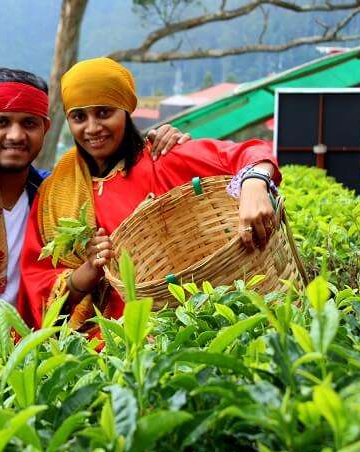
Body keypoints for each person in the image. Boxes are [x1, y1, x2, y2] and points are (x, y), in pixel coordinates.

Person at [0, 66, 188, 355]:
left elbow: (120, 179)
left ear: (45, 128)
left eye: (29, 123)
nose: (16, 135)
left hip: (40, 359)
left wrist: (159, 145)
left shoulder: (58, 194)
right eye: (2, 122)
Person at [18, 57, 281, 333]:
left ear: (126, 111)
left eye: (104, 112)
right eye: (79, 117)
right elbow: (37, 285)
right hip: (101, 352)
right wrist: (84, 274)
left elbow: (249, 154)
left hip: (181, 331)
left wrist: (254, 182)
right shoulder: (56, 192)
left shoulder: (162, 157)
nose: (92, 128)